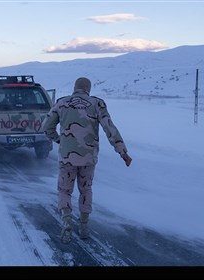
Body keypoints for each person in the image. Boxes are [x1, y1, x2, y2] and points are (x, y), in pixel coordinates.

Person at [42, 77, 132, 244]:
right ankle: (84, 226)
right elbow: (109, 128)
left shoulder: (61, 103)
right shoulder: (97, 104)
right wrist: (122, 152)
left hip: (66, 158)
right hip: (88, 159)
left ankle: (67, 221)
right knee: (86, 190)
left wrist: (60, 140)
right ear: (88, 89)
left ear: (74, 87)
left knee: (64, 190)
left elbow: (46, 128)